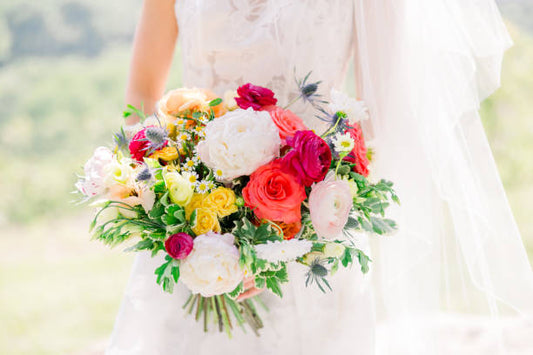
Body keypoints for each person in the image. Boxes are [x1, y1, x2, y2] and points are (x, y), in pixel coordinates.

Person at [107, 1, 533, 354]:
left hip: (314, 248)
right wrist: (173, 206)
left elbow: (379, 125)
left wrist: (283, 242)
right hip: (190, 244)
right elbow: (143, 95)